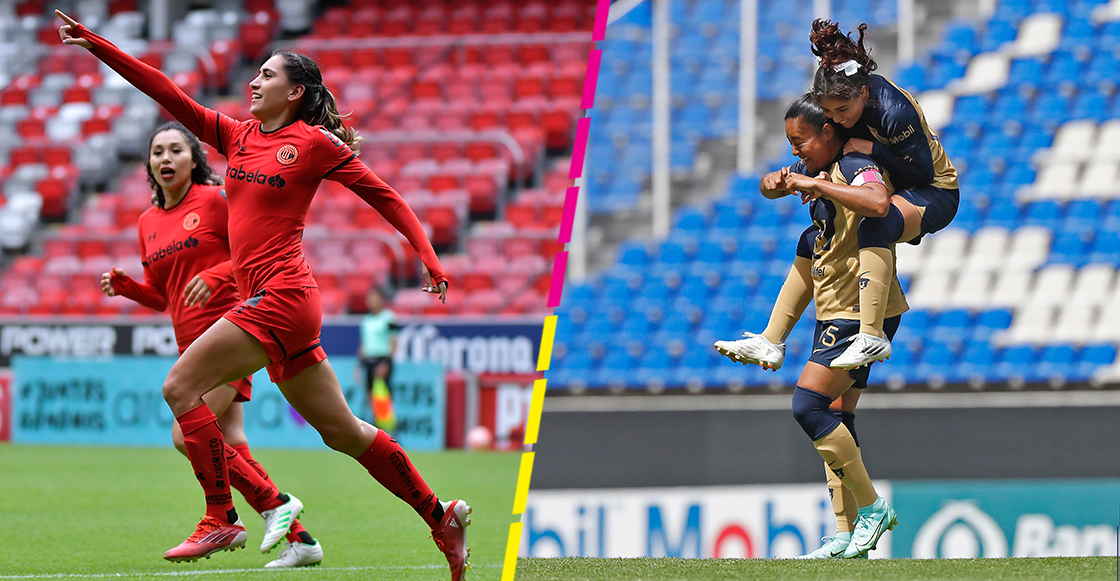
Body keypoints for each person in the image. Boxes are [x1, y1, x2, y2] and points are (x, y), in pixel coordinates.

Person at [59, 11, 471, 580]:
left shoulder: (314, 144)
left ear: (295, 91)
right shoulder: (238, 136)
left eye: (267, 75)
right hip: (276, 310)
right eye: (255, 73)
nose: (253, 82)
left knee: (179, 387)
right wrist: (95, 44)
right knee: (344, 432)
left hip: (284, 297)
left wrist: (427, 256)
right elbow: (166, 89)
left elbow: (388, 197)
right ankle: (439, 516)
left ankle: (223, 515)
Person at [100, 121, 323, 568]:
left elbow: (253, 253)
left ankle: (273, 504)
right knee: (233, 444)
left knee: (185, 436)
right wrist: (129, 289)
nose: (166, 158)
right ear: (147, 163)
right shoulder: (147, 223)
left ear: (194, 159)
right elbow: (164, 295)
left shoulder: (216, 199)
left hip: (233, 334)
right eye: (158, 151)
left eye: (177, 150)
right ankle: (302, 541)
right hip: (192, 348)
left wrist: (217, 275)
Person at [714, 94, 905, 558]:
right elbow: (769, 185)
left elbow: (878, 201)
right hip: (834, 307)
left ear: (827, 132)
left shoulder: (856, 162)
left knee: (808, 405)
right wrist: (780, 181)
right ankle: (845, 532)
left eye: (800, 142)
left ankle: (873, 508)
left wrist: (815, 184)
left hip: (859, 310)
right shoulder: (819, 169)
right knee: (837, 414)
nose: (794, 151)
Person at [807, 19, 959, 370]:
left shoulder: (893, 112)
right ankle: (773, 338)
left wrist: (874, 150)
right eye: (829, 113)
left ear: (862, 93)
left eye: (842, 111)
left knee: (876, 225)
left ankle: (872, 336)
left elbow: (920, 174)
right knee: (817, 232)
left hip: (935, 192)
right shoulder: (843, 101)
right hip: (895, 185)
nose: (838, 120)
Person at [358, 287, 399, 431]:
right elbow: (363, 344)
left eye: (374, 298)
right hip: (369, 360)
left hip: (382, 360)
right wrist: (359, 366)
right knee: (370, 396)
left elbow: (394, 342)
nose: (371, 302)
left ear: (381, 300)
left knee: (383, 395)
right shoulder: (366, 320)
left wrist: (387, 363)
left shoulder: (389, 317)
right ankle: (377, 427)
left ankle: (389, 428)